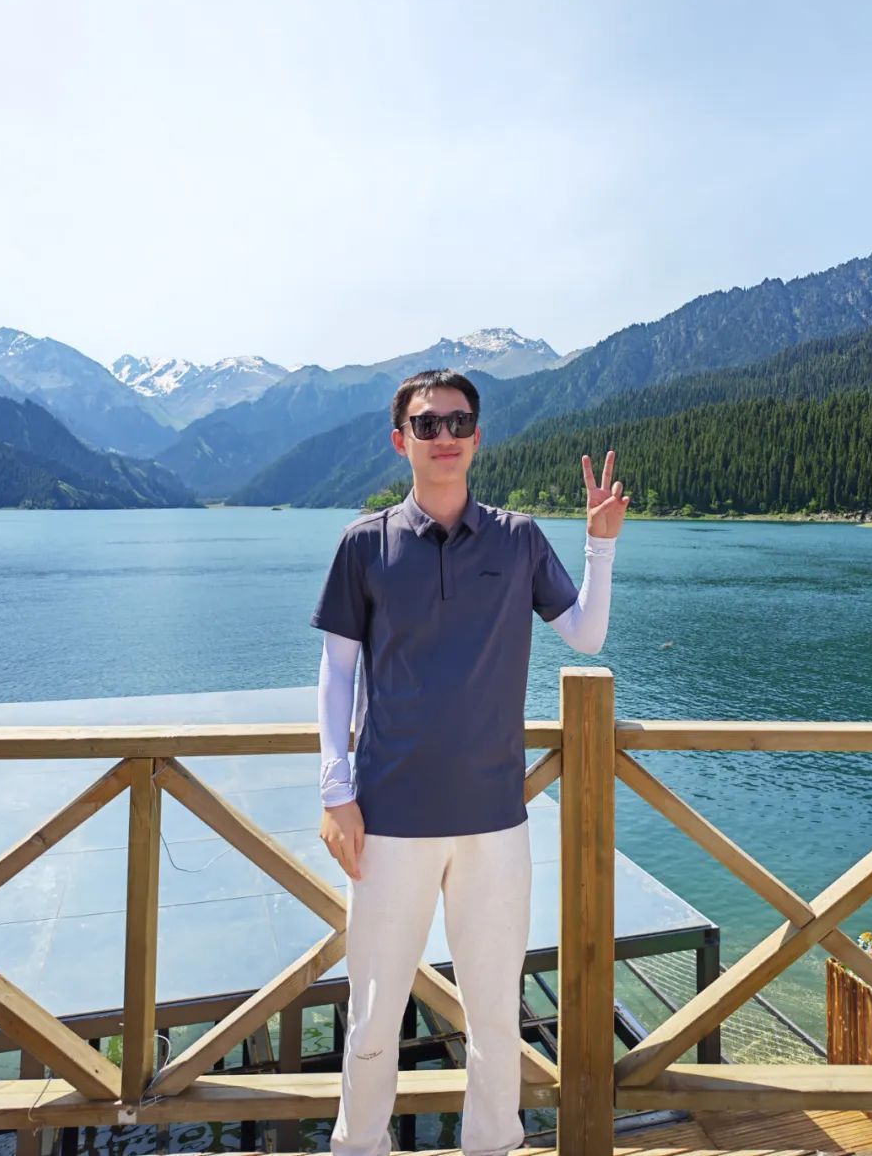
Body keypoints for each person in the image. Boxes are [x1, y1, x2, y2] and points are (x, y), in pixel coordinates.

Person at [310, 367, 629, 1156]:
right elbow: (336, 672)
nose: (444, 436)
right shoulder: (364, 543)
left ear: (478, 437)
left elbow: (586, 635)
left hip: (495, 822)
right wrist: (335, 789)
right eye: (428, 424)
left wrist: (600, 544)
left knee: (493, 1015)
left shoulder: (518, 539)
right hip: (387, 821)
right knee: (373, 1015)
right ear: (401, 440)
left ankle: (494, 1145)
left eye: (458, 422)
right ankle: (360, 1147)